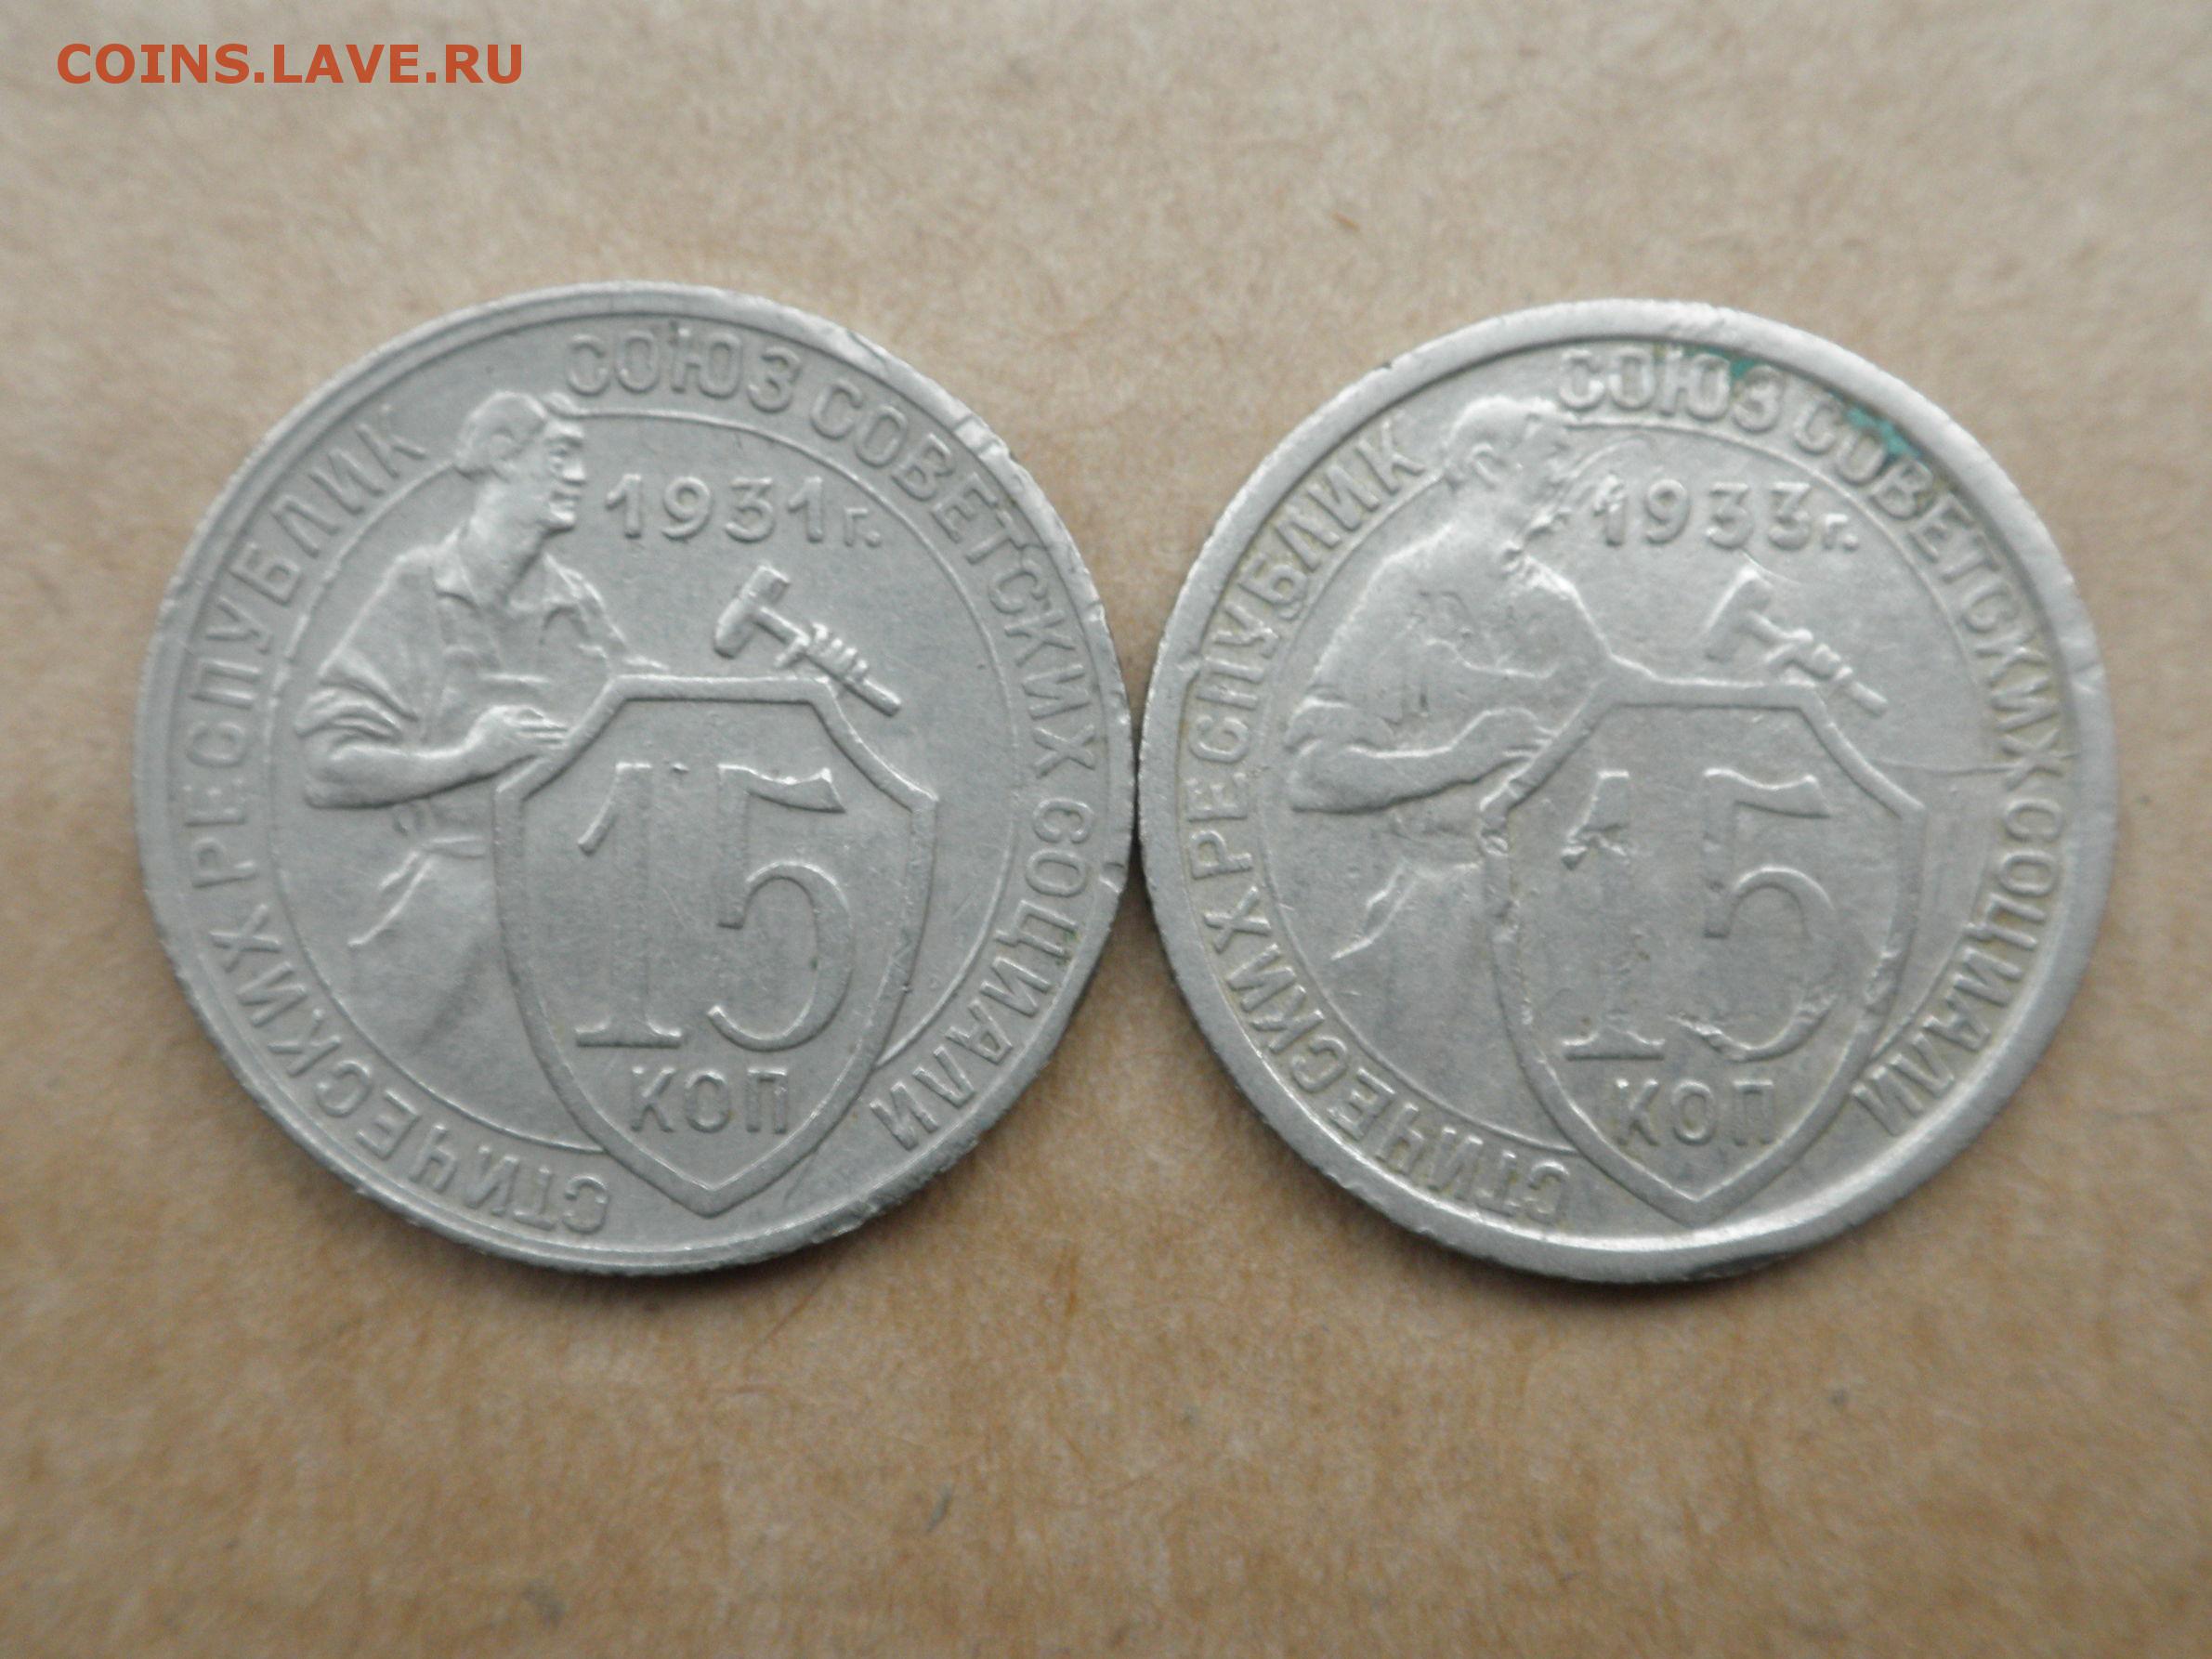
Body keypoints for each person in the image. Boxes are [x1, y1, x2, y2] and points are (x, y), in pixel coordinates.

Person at [1283, 395, 1631, 1116]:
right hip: (1443, 926)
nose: (1565, 479)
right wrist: (1453, 762)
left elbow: (1620, 733)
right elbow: (1313, 775)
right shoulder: (1404, 590)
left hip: (1563, 925)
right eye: (1551, 459)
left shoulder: (1555, 602)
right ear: (1486, 465)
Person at [297, 390, 644, 1089]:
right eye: (560, 456)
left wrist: (793, 678)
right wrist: (466, 760)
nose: (580, 476)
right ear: (502, 459)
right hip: (443, 917)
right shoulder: (418, 590)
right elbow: (327, 768)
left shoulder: (576, 603)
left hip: (570, 917)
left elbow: (650, 722)